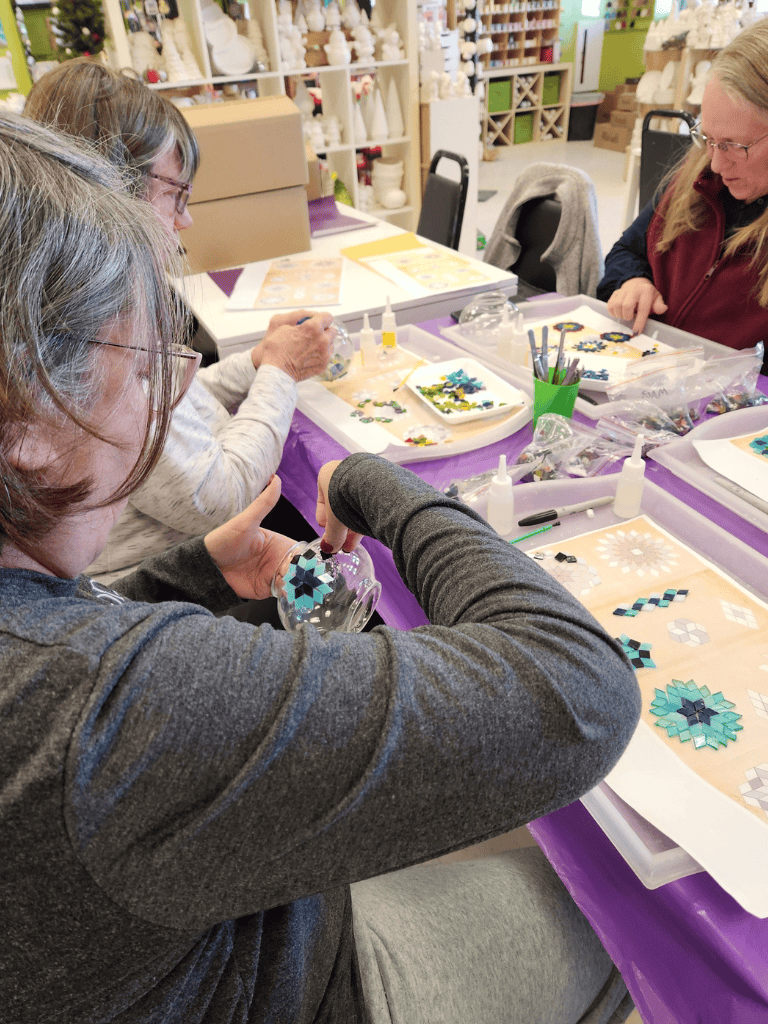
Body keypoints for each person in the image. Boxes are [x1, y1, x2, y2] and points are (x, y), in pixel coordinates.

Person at [0, 112, 641, 1024]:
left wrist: (190, 578)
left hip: (166, 938)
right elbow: (580, 692)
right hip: (290, 984)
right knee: (608, 913)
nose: (175, 387)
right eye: (145, 365)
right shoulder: (108, 710)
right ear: (24, 415)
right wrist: (383, 485)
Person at [24, 57, 334, 583]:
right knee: (346, 597)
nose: (186, 219)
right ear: (110, 191)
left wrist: (256, 364)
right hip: (167, 588)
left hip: (192, 566)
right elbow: (215, 495)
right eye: (175, 194)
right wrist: (279, 372)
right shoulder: (96, 341)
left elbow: (173, 402)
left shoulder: (84, 311)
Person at [597, 18, 768, 369]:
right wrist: (633, 280)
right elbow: (628, 250)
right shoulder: (696, 175)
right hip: (648, 381)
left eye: (735, 146)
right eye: (707, 139)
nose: (717, 165)